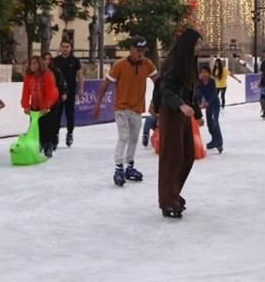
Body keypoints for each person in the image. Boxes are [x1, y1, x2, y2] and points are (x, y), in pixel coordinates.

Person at [93, 36, 158, 186]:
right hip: (121, 107)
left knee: (134, 138)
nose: (140, 53)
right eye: (138, 50)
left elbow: (158, 81)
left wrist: (156, 101)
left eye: (143, 51)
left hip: (137, 109)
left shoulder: (147, 64)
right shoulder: (120, 65)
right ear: (131, 49)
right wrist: (97, 104)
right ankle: (118, 169)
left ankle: (129, 166)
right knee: (124, 137)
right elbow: (105, 84)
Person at [156, 28, 203, 219]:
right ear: (189, 44)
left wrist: (197, 113)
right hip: (171, 111)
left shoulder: (190, 62)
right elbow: (164, 89)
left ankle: (173, 192)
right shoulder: (174, 62)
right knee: (172, 156)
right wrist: (181, 105)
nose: (199, 47)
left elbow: (191, 91)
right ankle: (167, 200)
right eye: (197, 44)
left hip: (183, 113)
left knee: (188, 155)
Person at [20, 55, 59, 158]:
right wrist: (25, 105)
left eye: (35, 63)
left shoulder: (47, 75)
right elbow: (26, 91)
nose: (32, 65)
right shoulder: (28, 76)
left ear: (40, 64)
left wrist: (46, 106)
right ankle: (37, 143)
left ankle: (48, 145)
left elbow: (50, 91)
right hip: (35, 102)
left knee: (46, 124)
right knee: (34, 124)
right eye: (31, 63)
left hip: (50, 101)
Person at [52, 41, 82, 147]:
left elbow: (80, 76)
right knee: (57, 115)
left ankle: (70, 133)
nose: (65, 49)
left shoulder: (75, 61)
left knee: (70, 114)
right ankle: (55, 135)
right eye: (63, 47)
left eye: (67, 47)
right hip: (57, 92)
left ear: (70, 48)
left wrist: (81, 89)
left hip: (70, 91)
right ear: (60, 48)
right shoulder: (55, 61)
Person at [195, 64, 223, 152]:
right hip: (207, 105)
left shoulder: (212, 81)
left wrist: (208, 102)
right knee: (210, 124)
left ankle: (219, 142)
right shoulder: (199, 82)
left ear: (209, 73)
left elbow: (214, 94)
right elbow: (198, 93)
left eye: (206, 72)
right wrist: (201, 102)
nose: (204, 74)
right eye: (202, 72)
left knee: (215, 121)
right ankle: (214, 139)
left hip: (214, 104)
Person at [43, 51, 67, 152]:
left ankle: (53, 139)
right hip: (42, 99)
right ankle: (43, 140)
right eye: (45, 59)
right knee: (43, 121)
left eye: (49, 59)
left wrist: (63, 92)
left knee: (54, 120)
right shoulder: (39, 71)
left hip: (54, 98)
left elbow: (61, 81)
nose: (47, 61)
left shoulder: (55, 70)